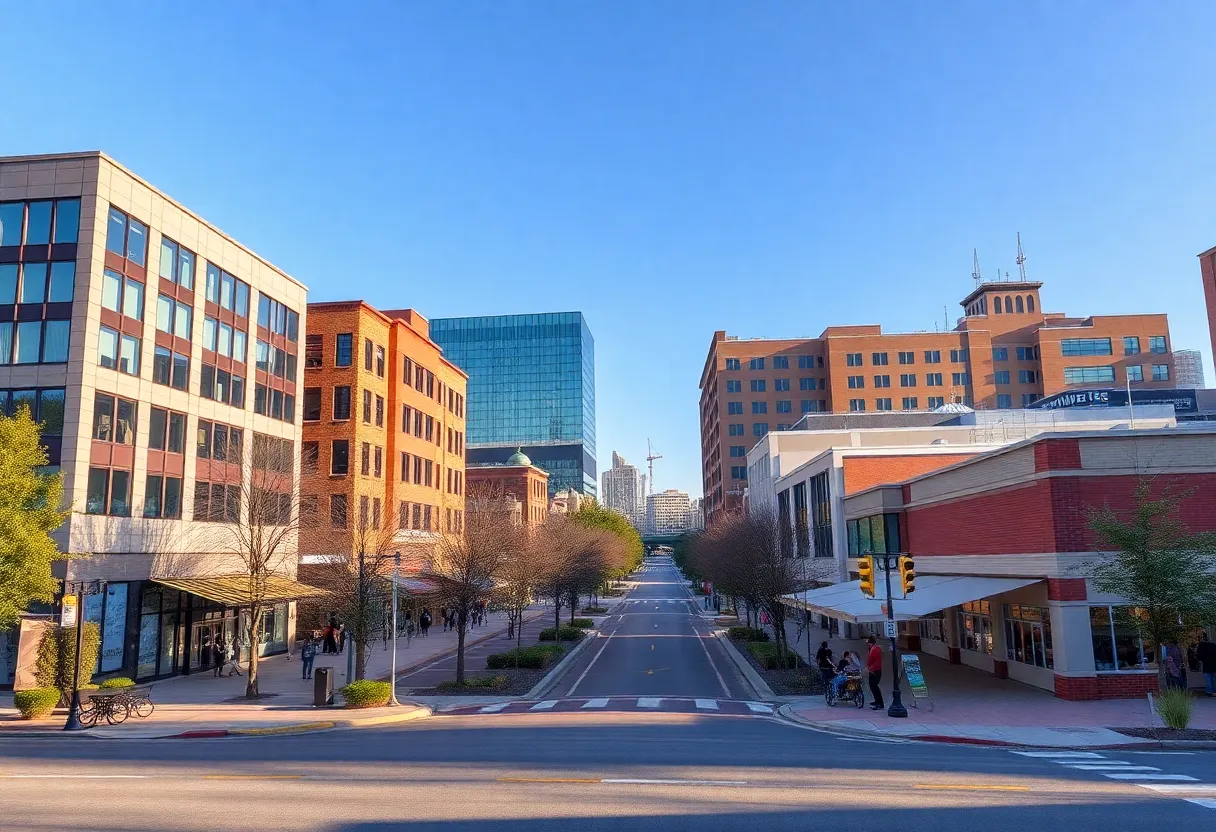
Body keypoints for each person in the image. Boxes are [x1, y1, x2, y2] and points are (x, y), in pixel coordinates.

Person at [865, 635, 884, 710]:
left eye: (869, 643)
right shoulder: (871, 649)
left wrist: (870, 668)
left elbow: (877, 663)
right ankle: (877, 700)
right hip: (872, 671)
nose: (868, 644)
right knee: (872, 686)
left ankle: (880, 703)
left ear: (872, 643)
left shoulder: (876, 650)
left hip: (876, 671)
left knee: (875, 686)